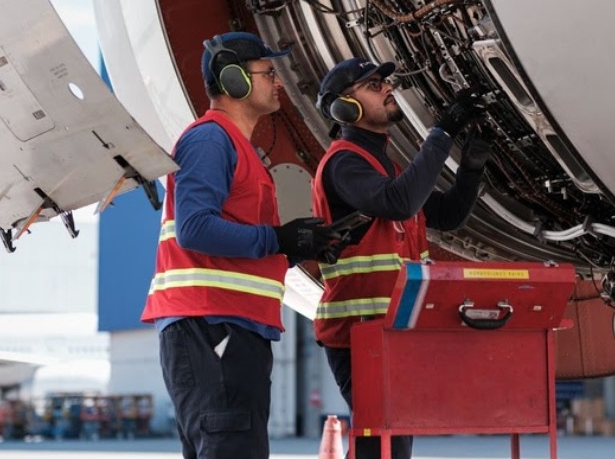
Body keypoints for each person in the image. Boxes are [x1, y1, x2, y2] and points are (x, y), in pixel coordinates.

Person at [141, 32, 342, 459]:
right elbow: (194, 228)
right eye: (268, 73)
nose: (278, 82)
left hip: (226, 326)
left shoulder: (231, 145)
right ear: (234, 80)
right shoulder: (210, 140)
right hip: (212, 326)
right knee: (231, 446)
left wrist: (294, 247)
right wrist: (276, 238)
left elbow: (234, 240)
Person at [312, 58, 492, 459]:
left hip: (391, 332)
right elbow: (399, 203)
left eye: (385, 82)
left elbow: (447, 214)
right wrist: (442, 132)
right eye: (373, 85)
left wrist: (472, 167)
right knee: (383, 446)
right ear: (344, 107)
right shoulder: (344, 164)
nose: (388, 88)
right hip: (360, 334)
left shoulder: (385, 168)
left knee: (389, 444)